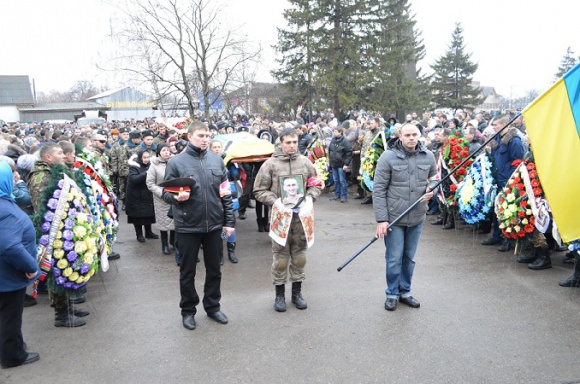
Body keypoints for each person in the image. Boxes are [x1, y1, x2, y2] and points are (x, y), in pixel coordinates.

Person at [162, 122, 235, 331]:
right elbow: (166, 193)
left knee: (215, 270)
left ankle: (213, 307)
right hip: (187, 226)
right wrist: (177, 197)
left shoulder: (217, 161)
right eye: (201, 135)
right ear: (189, 136)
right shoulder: (177, 163)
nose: (205, 139)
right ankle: (188, 311)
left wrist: (229, 222)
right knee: (187, 272)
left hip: (213, 226)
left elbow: (225, 194)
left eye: (208, 136)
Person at [253, 128, 322, 312]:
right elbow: (259, 190)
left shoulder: (305, 162)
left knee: (299, 257)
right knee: (281, 259)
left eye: (294, 142)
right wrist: (275, 201)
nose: (292, 145)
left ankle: (297, 294)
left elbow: (316, 184)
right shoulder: (270, 164)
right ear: (280, 143)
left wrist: (310, 197)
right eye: (288, 142)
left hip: (301, 219)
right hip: (280, 219)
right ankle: (279, 295)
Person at [373, 123, 436, 311]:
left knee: (409, 258)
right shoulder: (388, 157)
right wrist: (381, 220)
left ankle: (405, 292)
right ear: (400, 136)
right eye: (407, 134)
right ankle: (392, 293)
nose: (411, 138)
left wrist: (432, 188)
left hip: (417, 217)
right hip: (394, 218)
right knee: (394, 258)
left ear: (419, 136)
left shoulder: (429, 156)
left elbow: (435, 177)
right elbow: (378, 190)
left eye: (414, 134)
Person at [27, 143, 88, 327]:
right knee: (57, 272)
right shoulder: (40, 177)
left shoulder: (54, 171)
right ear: (48, 158)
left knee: (66, 268)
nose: (63, 156)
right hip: (51, 232)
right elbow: (43, 208)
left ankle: (68, 306)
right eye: (59, 153)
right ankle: (61, 315)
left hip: (63, 228)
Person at [0, 162, 40, 369]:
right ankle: (13, 355)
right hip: (7, 276)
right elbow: (9, 247)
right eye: (12, 175)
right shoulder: (5, 210)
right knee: (10, 317)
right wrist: (30, 266)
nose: (15, 178)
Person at [481, 115, 525, 251]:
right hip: (496, 179)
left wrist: (509, 179)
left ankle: (508, 240)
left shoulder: (514, 141)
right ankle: (496, 235)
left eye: (496, 125)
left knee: (507, 210)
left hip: (507, 180)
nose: (493, 127)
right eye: (493, 125)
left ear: (505, 124)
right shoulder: (496, 140)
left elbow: (517, 162)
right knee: (496, 209)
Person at [209, 139, 239, 264]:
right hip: (215, 196)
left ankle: (231, 252)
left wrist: (231, 165)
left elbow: (236, 176)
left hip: (230, 195)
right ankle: (219, 254)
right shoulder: (208, 162)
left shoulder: (228, 162)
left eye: (218, 147)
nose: (217, 149)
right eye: (214, 147)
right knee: (219, 226)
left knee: (230, 224)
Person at [146, 144, 175, 255]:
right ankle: (164, 245)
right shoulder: (154, 165)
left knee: (175, 220)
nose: (166, 152)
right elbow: (150, 183)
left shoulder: (174, 162)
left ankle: (173, 241)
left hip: (174, 195)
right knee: (163, 221)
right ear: (159, 152)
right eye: (164, 150)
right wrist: (162, 192)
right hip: (161, 197)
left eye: (168, 150)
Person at [126, 150, 158, 243]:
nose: (146, 159)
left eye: (148, 157)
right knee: (138, 216)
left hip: (147, 193)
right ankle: (139, 234)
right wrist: (146, 173)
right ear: (140, 158)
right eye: (144, 158)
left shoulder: (151, 165)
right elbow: (134, 179)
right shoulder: (134, 166)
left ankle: (149, 232)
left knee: (148, 214)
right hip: (136, 195)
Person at [328, 126, 353, 203]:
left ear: (340, 132)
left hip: (341, 164)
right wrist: (329, 161)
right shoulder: (333, 140)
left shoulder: (345, 141)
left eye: (335, 131)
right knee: (336, 180)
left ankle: (343, 196)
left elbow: (349, 153)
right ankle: (337, 195)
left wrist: (346, 164)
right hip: (334, 163)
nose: (334, 133)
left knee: (342, 181)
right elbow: (330, 150)